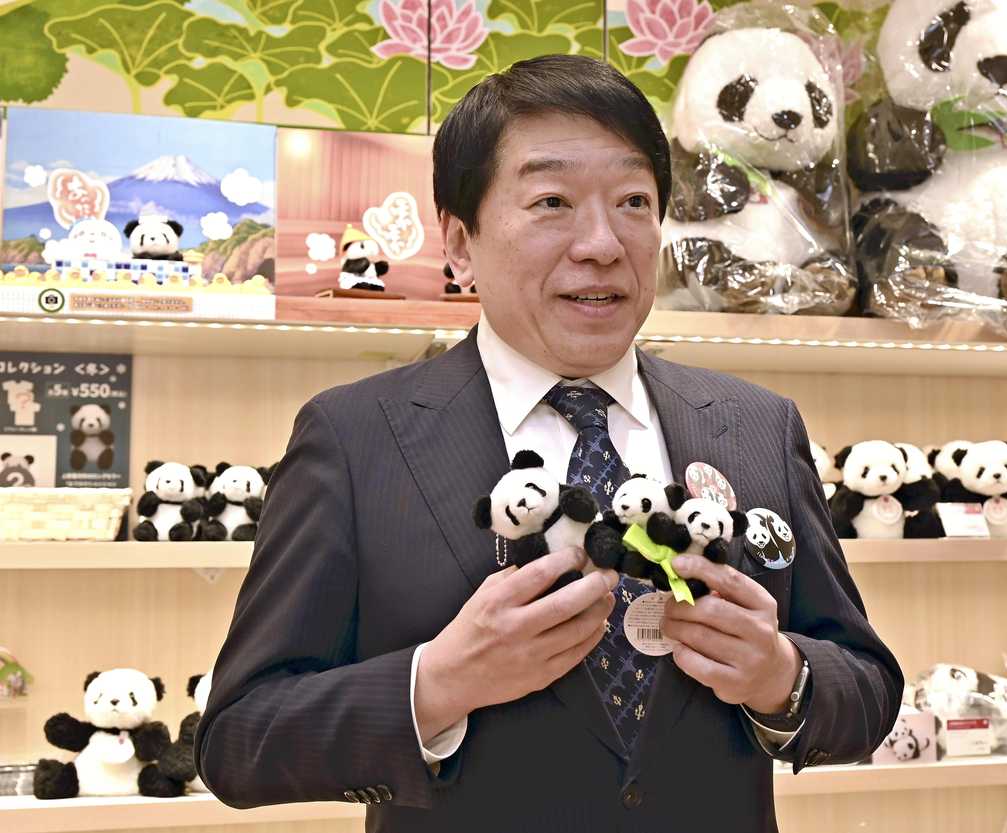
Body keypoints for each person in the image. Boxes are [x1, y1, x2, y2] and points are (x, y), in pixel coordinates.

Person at [195, 54, 902, 832]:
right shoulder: (355, 437)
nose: (601, 243)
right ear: (459, 242)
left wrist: (783, 677)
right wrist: (435, 684)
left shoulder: (758, 425)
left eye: (633, 202)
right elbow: (240, 738)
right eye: (552, 202)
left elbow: (868, 686)